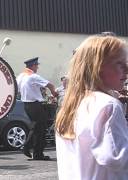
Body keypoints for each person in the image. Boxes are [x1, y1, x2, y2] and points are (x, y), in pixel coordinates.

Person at [55, 35, 128, 180]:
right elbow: (115, 157)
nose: (126, 69)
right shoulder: (108, 105)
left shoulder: (71, 105)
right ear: (97, 66)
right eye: (119, 63)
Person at [16, 57, 58, 160]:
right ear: (33, 66)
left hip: (26, 105)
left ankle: (35, 152)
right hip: (35, 105)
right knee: (40, 129)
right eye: (37, 65)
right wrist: (54, 93)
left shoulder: (21, 76)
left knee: (37, 128)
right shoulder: (33, 76)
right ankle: (29, 148)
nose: (37, 67)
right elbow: (50, 85)